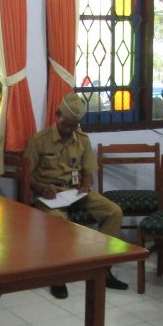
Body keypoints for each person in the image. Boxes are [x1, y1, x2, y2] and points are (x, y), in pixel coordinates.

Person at [24, 92, 128, 297]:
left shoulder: (82, 140)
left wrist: (86, 185)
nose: (69, 130)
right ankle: (58, 278)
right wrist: (41, 188)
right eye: (66, 124)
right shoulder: (39, 141)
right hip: (50, 195)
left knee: (114, 212)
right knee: (58, 221)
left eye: (73, 126)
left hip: (76, 193)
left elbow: (88, 171)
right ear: (57, 115)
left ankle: (103, 270)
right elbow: (26, 175)